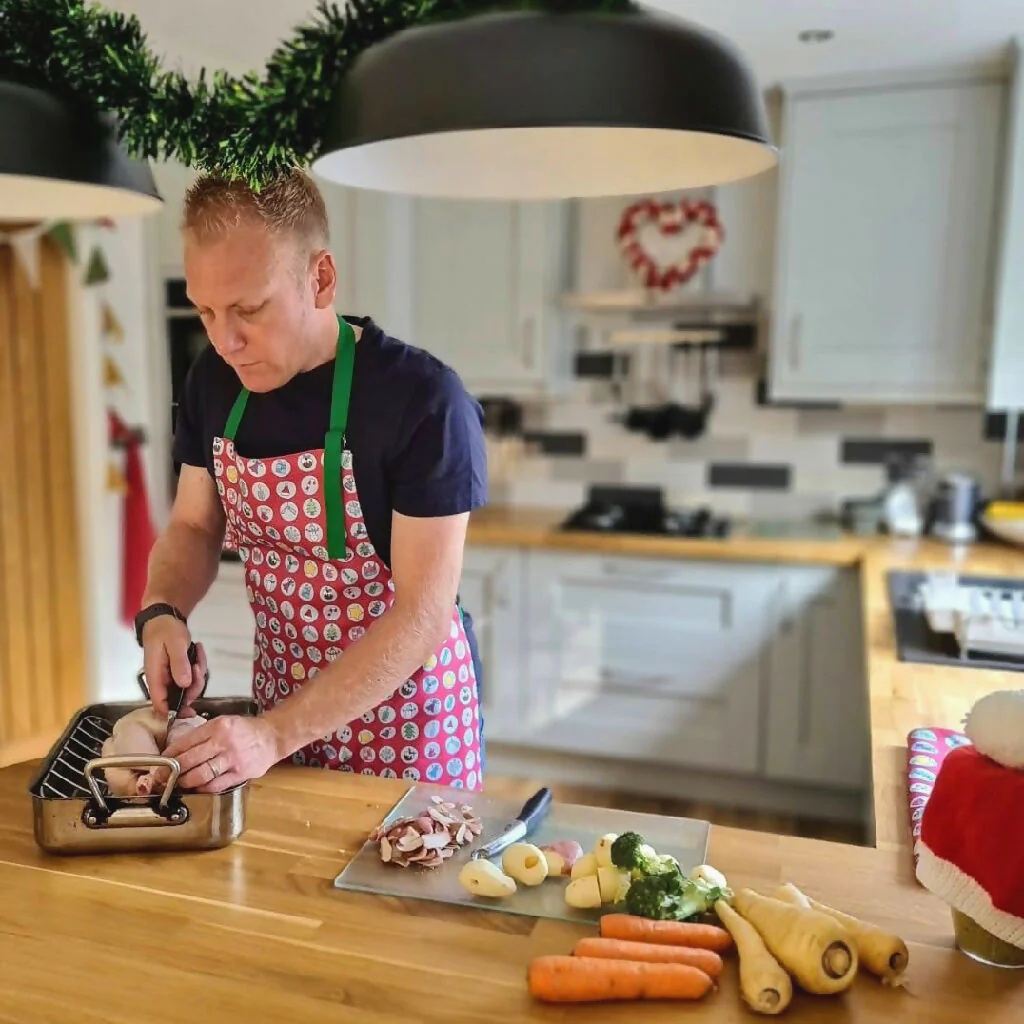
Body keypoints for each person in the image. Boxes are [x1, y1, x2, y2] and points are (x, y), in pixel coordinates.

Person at [135, 169, 487, 793]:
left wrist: (273, 735)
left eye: (249, 309)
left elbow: (423, 615)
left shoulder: (423, 400)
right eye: (206, 311)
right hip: (279, 714)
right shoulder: (212, 381)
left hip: (409, 733)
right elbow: (193, 525)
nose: (225, 340)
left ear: (320, 279)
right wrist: (163, 610)